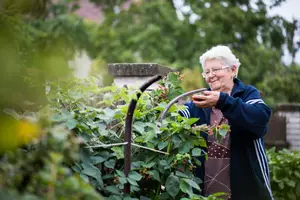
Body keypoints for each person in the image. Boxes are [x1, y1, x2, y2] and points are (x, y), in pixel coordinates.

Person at [179, 45, 273, 200]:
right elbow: (179, 115)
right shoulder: (202, 102)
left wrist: (222, 100)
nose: (210, 76)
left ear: (233, 70)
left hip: (246, 192)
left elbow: (259, 120)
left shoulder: (247, 94)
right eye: (207, 72)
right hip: (206, 194)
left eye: (216, 69)